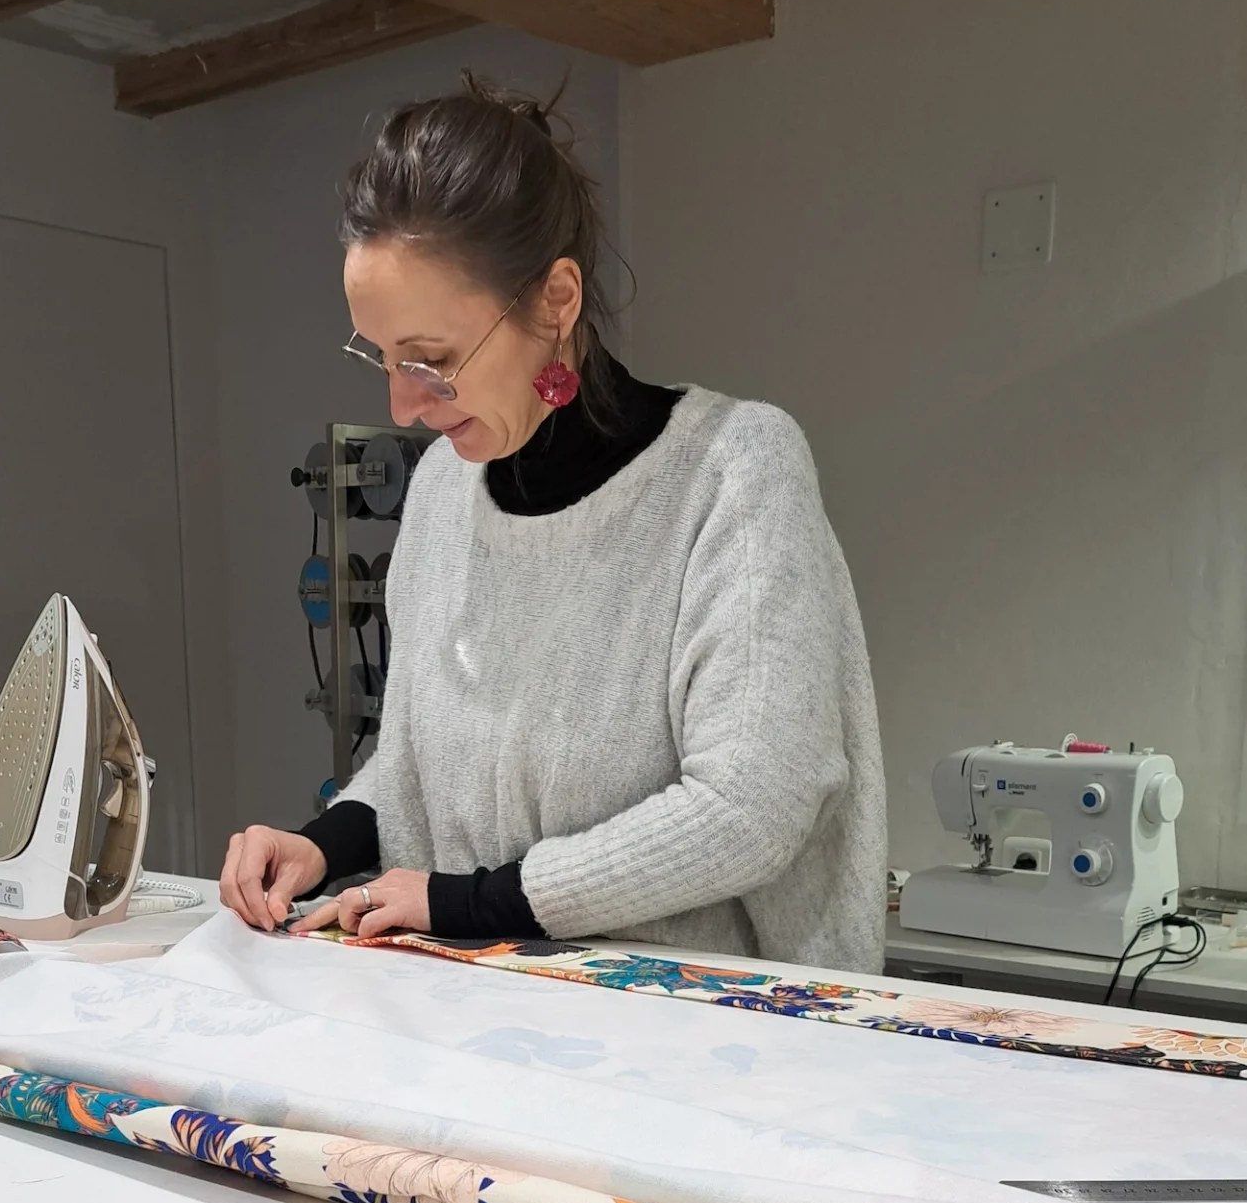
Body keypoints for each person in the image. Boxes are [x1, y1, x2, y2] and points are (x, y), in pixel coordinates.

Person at [219, 74, 887, 969]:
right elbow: (421, 771)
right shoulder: (441, 498)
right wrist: (325, 845)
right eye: (379, 358)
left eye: (431, 359)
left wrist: (470, 902)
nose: (403, 405)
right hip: (487, 1017)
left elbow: (752, 805)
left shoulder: (732, 470)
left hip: (702, 1045)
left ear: (556, 300)